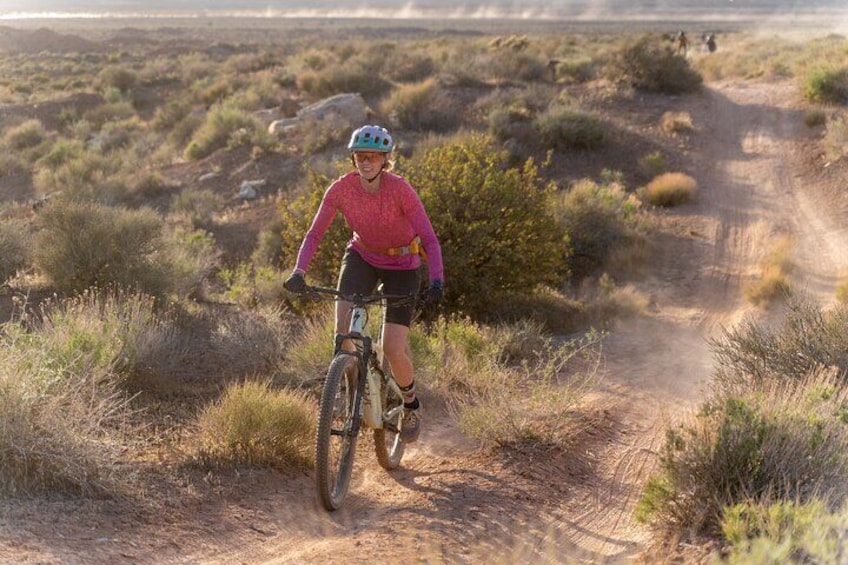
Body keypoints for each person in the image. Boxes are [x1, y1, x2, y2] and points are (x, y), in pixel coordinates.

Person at [283, 124, 444, 444]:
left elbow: (429, 239)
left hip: (403, 265)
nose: (366, 162)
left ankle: (410, 404)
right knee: (341, 334)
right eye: (360, 156)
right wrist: (299, 271)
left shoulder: (400, 190)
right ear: (353, 159)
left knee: (393, 348)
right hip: (362, 257)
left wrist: (437, 280)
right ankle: (347, 392)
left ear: (385, 159)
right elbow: (314, 234)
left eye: (373, 156)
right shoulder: (340, 189)